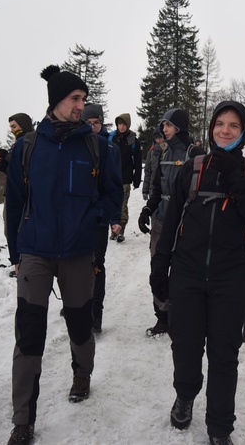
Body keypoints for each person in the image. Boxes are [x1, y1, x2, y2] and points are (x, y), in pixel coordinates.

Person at [4, 65, 123, 445]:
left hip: (77, 252)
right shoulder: (26, 148)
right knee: (28, 334)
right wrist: (15, 252)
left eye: (83, 100)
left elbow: (112, 194)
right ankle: (23, 420)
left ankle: (82, 371)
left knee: (79, 322)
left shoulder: (97, 146)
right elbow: (15, 203)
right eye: (75, 99)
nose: (81, 107)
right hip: (35, 252)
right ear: (57, 101)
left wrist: (93, 220)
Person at [150, 101, 245, 444]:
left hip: (231, 278)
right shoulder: (192, 169)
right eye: (219, 123)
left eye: (233, 125)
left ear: (243, 131)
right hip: (188, 274)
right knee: (186, 346)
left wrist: (236, 178)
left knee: (224, 355)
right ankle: (186, 393)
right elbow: (171, 219)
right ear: (211, 128)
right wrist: (159, 267)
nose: (225, 130)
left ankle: (220, 428)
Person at [137, 108, 203, 336]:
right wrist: (147, 209)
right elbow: (157, 187)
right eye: (162, 124)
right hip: (161, 222)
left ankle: (183, 317)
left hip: (186, 226)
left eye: (167, 124)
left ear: (179, 126)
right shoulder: (163, 154)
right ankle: (162, 317)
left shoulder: (194, 153)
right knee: (157, 272)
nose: (163, 129)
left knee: (184, 274)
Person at [82, 102, 122, 333]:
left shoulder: (110, 149)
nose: (93, 126)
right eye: (88, 123)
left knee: (97, 264)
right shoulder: (76, 146)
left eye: (96, 122)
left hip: (98, 218)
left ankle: (95, 315)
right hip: (77, 219)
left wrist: (114, 218)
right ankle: (76, 305)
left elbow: (114, 187)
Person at [0, 113, 34, 276]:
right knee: (10, 228)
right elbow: (13, 171)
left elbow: (24, 169)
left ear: (23, 125)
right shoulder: (19, 143)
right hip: (13, 193)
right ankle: (18, 261)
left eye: (14, 126)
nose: (12, 130)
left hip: (24, 196)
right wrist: (4, 160)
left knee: (16, 228)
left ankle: (22, 262)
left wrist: (7, 158)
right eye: (11, 127)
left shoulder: (29, 143)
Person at [108, 112, 142, 242]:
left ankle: (121, 230)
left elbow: (137, 161)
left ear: (128, 125)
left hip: (125, 178)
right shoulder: (111, 138)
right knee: (111, 204)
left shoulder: (133, 140)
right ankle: (113, 229)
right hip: (111, 177)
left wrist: (136, 179)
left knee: (122, 205)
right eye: (119, 124)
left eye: (124, 124)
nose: (121, 127)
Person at [141, 125, 165, 201]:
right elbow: (147, 171)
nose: (159, 140)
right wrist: (145, 190)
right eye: (156, 138)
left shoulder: (169, 152)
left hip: (166, 188)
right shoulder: (151, 152)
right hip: (153, 188)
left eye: (160, 138)